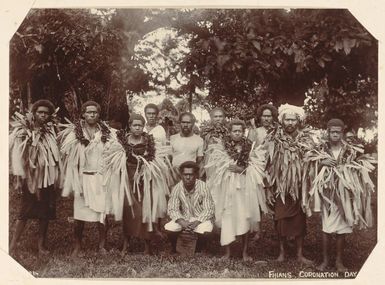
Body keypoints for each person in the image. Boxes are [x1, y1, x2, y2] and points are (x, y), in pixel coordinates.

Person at [302, 118, 376, 272]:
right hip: (327, 194)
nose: (335, 134)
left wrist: (348, 168)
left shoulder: (350, 150)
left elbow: (359, 167)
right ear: (327, 133)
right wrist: (322, 163)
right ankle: (325, 260)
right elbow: (308, 165)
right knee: (326, 226)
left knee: (343, 227)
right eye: (332, 132)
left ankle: (339, 261)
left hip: (345, 194)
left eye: (338, 132)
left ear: (342, 133)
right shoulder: (321, 149)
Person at [103, 113, 171, 255]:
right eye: (135, 125)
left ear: (143, 127)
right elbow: (115, 160)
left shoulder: (149, 141)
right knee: (128, 212)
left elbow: (155, 160)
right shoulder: (123, 140)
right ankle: (126, 244)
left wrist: (147, 172)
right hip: (127, 180)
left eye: (140, 125)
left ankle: (147, 246)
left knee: (146, 211)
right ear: (130, 126)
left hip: (145, 180)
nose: (138, 128)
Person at [205, 119, 268, 261]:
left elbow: (257, 166)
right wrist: (227, 167)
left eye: (240, 131)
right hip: (227, 188)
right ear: (230, 132)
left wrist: (243, 169)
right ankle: (227, 252)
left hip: (245, 188)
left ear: (243, 132)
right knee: (227, 216)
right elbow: (217, 166)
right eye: (235, 131)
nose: (237, 133)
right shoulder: (222, 147)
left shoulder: (249, 147)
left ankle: (245, 252)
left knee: (244, 216)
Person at [59, 101, 113, 257]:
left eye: (95, 112)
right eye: (89, 112)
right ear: (83, 114)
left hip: (100, 178)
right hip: (82, 178)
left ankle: (102, 245)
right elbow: (68, 157)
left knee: (102, 214)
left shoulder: (106, 132)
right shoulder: (74, 133)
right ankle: (78, 246)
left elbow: (113, 153)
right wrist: (73, 179)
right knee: (79, 215)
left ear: (99, 114)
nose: (92, 115)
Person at [263, 105, 314, 265]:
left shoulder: (306, 140)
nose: (290, 122)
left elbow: (313, 162)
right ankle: (281, 254)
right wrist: (268, 188)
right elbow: (266, 164)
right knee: (280, 220)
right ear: (282, 121)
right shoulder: (273, 139)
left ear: (298, 121)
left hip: (300, 187)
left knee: (300, 220)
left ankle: (299, 254)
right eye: (287, 119)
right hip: (279, 186)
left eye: (293, 119)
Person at [9, 99, 60, 256]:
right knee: (25, 210)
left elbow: (56, 154)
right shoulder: (23, 130)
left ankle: (41, 245)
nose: (43, 115)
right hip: (31, 178)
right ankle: (12, 246)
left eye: (46, 113)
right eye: (40, 112)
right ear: (34, 113)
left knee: (45, 211)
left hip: (47, 178)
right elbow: (17, 153)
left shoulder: (51, 131)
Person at [165, 161, 215, 254]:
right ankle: (175, 247)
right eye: (185, 174)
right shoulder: (177, 188)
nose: (188, 177)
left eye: (191, 174)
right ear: (181, 175)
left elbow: (209, 209)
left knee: (206, 229)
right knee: (169, 227)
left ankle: (199, 249)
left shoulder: (203, 187)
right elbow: (172, 209)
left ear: (196, 175)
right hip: (184, 218)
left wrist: (197, 222)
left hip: (199, 218)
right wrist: (181, 221)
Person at [200, 107, 229, 179]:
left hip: (224, 163)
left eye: (220, 116)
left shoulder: (228, 132)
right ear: (211, 118)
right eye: (215, 116)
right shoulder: (205, 132)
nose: (218, 119)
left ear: (224, 118)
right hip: (209, 162)